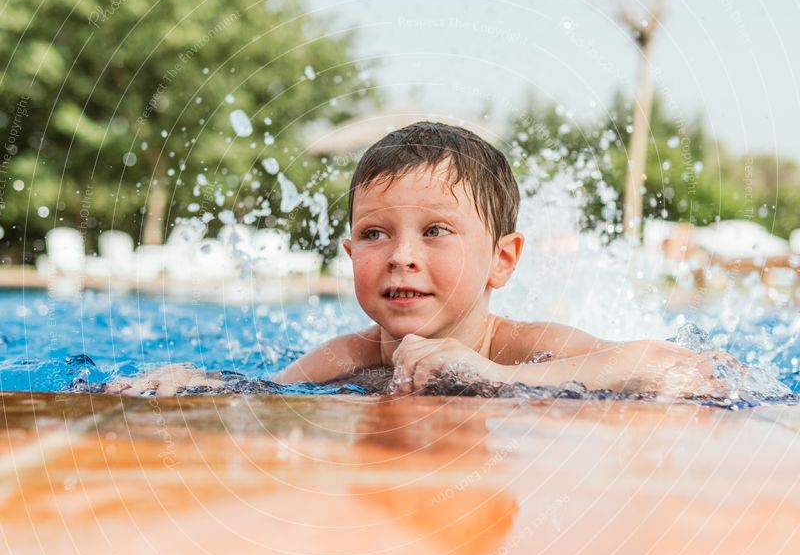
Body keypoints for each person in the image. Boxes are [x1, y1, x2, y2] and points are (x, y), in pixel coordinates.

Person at [108, 121, 730, 398]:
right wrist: (199, 383)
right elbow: (266, 393)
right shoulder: (349, 358)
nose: (401, 257)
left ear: (502, 261)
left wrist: (495, 381)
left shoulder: (524, 346)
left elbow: (679, 370)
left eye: (435, 230)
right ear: (349, 253)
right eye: (375, 235)